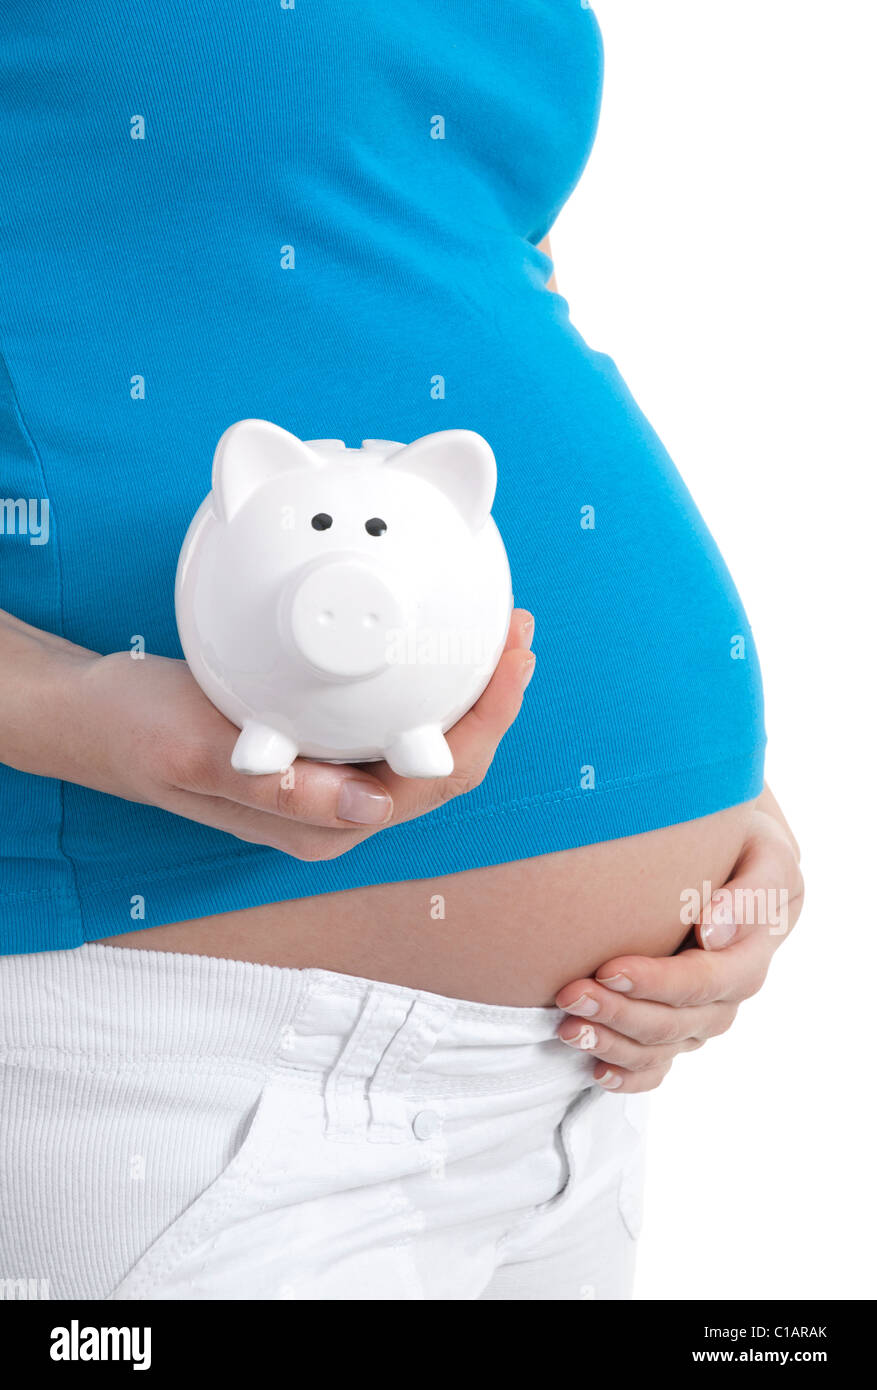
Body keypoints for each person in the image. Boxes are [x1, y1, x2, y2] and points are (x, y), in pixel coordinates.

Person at [0, 2, 802, 1299]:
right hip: (161, 1049)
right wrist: (70, 708)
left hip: (571, 1085)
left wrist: (701, 797)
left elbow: (416, 288)